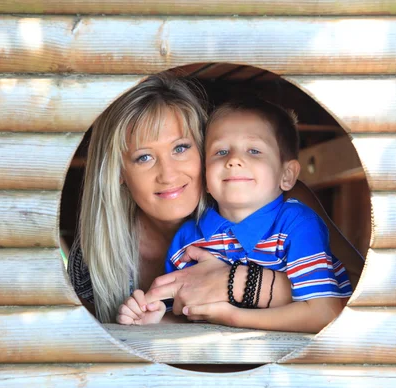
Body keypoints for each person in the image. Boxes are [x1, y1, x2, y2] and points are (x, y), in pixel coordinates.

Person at [68, 72, 363, 326]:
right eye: (144, 157)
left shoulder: (282, 203)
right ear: (119, 172)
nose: (168, 174)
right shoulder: (96, 254)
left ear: (202, 149)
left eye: (181, 148)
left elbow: (359, 296)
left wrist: (236, 282)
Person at [120, 98, 352, 333]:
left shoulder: (298, 225)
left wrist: (234, 317)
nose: (233, 160)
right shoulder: (187, 240)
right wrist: (156, 319)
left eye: (254, 150)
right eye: (221, 152)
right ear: (205, 176)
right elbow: (186, 314)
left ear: (287, 175)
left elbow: (325, 313)